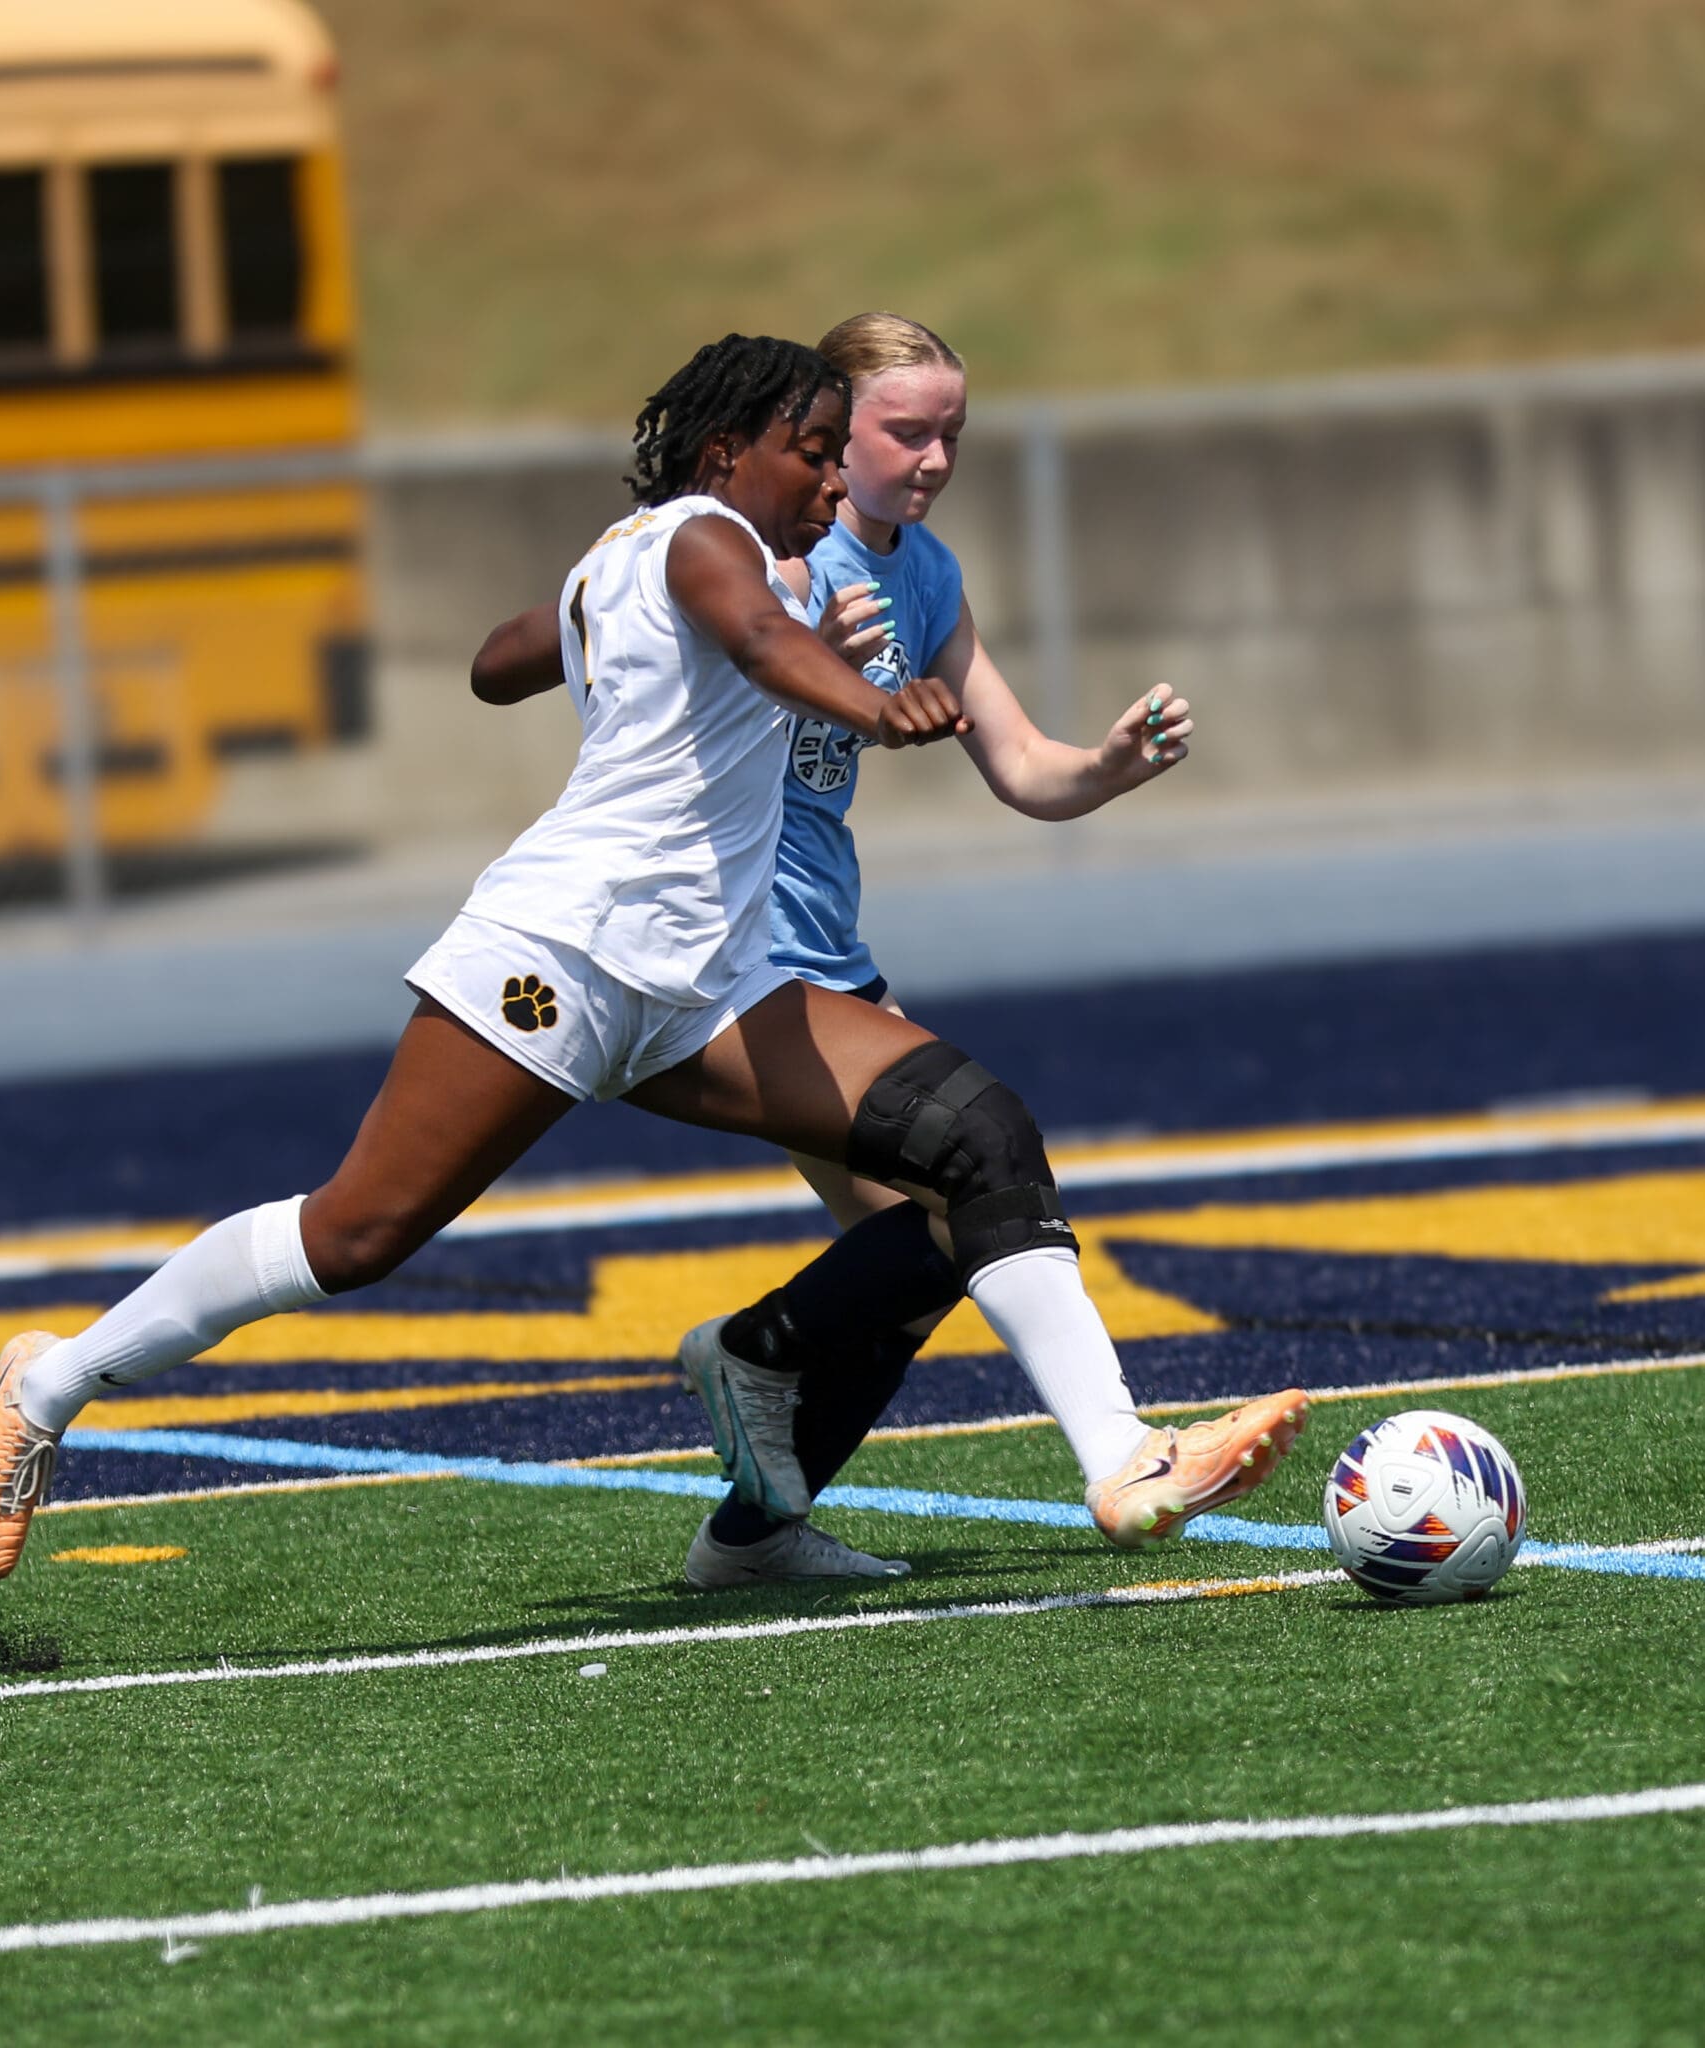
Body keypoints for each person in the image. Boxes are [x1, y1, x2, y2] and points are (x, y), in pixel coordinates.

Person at [0, 332, 1302, 1587]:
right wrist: (871, 699)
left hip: (702, 989)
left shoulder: (658, 551)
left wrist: (596, 605)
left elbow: (494, 666)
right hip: (560, 955)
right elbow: (758, 639)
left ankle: (1121, 1457)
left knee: (975, 1133)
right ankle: (50, 1384)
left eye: (838, 456)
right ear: (725, 453)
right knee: (354, 1234)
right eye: (813, 453)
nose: (834, 481)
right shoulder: (706, 538)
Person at [473, 314, 1290, 1591]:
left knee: (929, 1249)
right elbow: (624, 650)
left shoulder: (926, 574)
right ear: (822, 433)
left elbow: (1024, 766)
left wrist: (1108, 765)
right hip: (737, 959)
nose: (935, 458)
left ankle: (752, 1516)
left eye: (952, 432)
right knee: (966, 1188)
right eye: (905, 431)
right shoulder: (758, 555)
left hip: (829, 956)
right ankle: (1095, 1449)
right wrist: (806, 660)